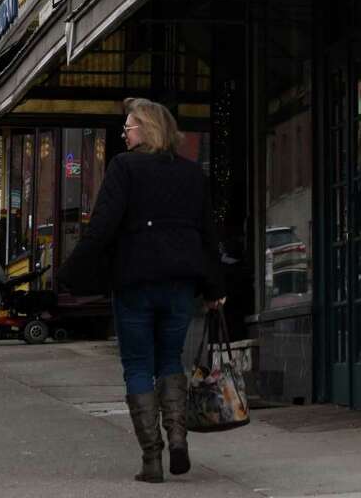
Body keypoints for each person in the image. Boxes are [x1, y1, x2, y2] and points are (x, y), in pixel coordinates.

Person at [57, 98, 224, 483]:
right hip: (179, 284)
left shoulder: (123, 168)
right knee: (170, 360)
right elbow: (207, 236)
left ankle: (152, 458)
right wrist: (215, 286)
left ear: (145, 129)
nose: (124, 135)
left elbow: (102, 226)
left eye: (128, 128)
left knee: (137, 366)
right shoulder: (191, 174)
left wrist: (71, 272)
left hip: (134, 283)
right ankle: (178, 437)